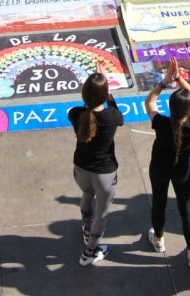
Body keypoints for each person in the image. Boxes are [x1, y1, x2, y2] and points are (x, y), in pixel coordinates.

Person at [143, 59, 190, 267]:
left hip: (159, 166)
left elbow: (149, 103)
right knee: (186, 208)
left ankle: (158, 239)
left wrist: (164, 83)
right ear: (188, 110)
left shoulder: (162, 123)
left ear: (170, 108)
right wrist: (179, 79)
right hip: (183, 170)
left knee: (159, 202)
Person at [68, 65, 124, 267]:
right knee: (102, 213)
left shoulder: (75, 114)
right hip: (105, 174)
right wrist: (108, 91)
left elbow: (86, 110)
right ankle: (90, 251)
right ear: (104, 94)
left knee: (86, 195)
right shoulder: (112, 117)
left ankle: (86, 229)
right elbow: (118, 114)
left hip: (81, 169)